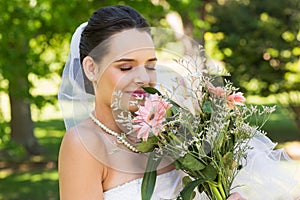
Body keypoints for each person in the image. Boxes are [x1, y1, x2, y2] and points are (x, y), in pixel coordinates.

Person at [58, 5, 299, 200]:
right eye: (126, 66)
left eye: (150, 65)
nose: (143, 78)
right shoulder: (83, 144)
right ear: (91, 68)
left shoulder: (173, 129)